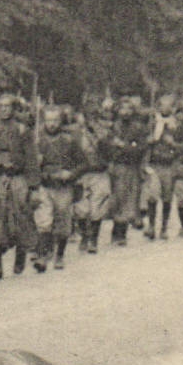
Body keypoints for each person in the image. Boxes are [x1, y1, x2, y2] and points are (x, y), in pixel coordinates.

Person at [30, 105, 91, 271]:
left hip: (63, 187)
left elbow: (84, 164)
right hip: (45, 185)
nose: (51, 124)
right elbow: (31, 165)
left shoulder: (69, 140)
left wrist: (70, 174)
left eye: (55, 120)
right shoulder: (38, 141)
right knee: (44, 221)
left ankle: (60, 255)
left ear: (61, 121)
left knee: (63, 222)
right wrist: (38, 169)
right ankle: (43, 256)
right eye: (48, 120)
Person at [0, 92, 37, 278]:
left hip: (17, 178)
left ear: (14, 109)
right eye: (1, 106)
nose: (4, 110)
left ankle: (20, 256)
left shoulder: (23, 130)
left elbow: (31, 159)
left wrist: (33, 186)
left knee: (21, 216)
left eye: (8, 106)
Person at [101, 96, 149, 245]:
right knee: (117, 198)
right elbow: (107, 147)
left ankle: (122, 232)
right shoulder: (112, 128)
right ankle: (116, 231)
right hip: (117, 166)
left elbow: (141, 148)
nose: (126, 112)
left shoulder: (138, 128)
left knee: (130, 198)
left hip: (132, 166)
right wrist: (124, 148)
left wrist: (123, 146)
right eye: (123, 108)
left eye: (129, 109)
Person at [142, 97, 183, 240]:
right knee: (152, 195)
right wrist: (149, 140)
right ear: (158, 107)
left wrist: (173, 144)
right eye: (163, 105)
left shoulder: (177, 126)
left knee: (167, 197)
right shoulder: (152, 123)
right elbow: (143, 141)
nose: (165, 108)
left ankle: (163, 228)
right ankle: (151, 226)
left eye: (169, 106)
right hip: (154, 164)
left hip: (169, 164)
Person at [71, 106, 113, 254]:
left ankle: (93, 239)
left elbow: (111, 154)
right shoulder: (75, 134)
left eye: (94, 118)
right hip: (82, 174)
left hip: (99, 173)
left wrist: (102, 141)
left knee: (97, 207)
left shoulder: (105, 134)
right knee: (81, 208)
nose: (91, 121)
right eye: (87, 118)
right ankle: (84, 235)